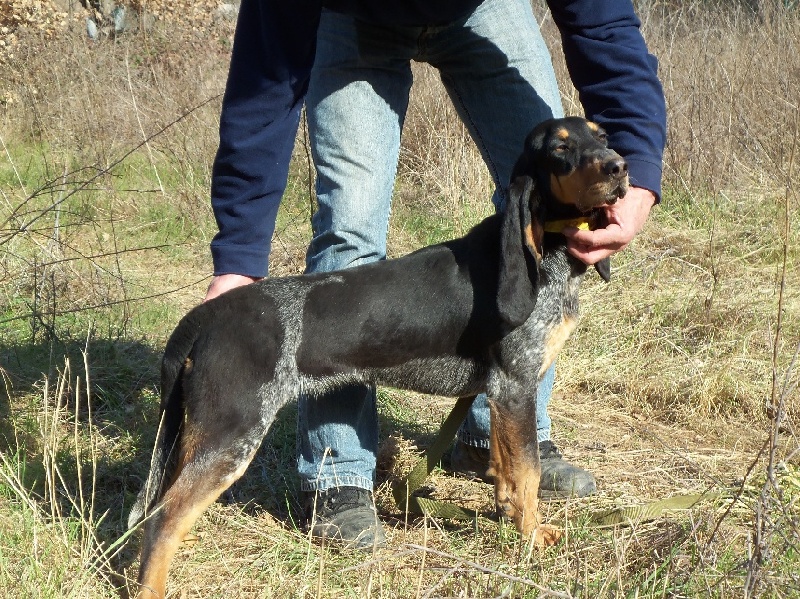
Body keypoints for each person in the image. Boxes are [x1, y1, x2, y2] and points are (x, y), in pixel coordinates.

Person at [205, 0, 666, 549]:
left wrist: (637, 164)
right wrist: (239, 253)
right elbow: (267, 65)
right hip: (352, 17)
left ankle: (502, 440)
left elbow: (604, 22)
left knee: (547, 176)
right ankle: (338, 472)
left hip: (482, 7)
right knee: (349, 231)